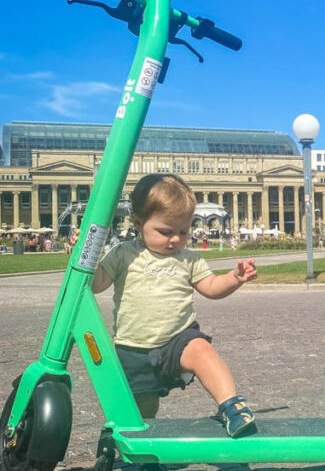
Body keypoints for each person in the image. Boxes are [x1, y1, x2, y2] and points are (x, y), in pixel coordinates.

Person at [72, 174, 259, 453]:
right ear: (138, 223)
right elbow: (97, 284)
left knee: (202, 350)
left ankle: (232, 405)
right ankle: (146, 454)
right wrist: (85, 254)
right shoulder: (124, 254)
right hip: (132, 348)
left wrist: (233, 278)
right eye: (165, 231)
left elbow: (210, 287)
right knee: (143, 410)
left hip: (177, 340)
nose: (175, 239)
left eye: (183, 232)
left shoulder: (189, 260)